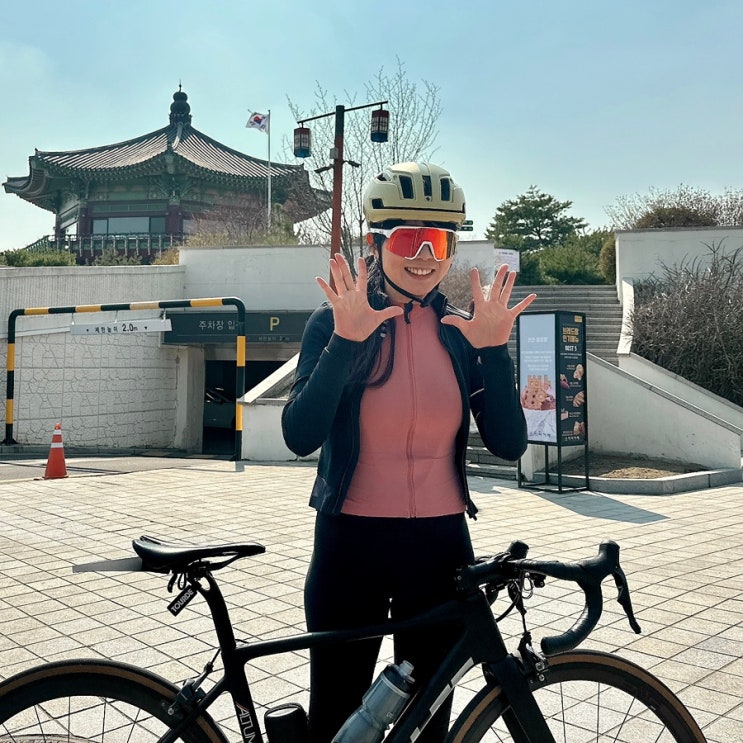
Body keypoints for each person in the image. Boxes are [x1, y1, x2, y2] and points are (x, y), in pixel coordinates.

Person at [282, 162, 536, 742]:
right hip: (350, 546)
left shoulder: (462, 332)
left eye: (438, 241)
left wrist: (494, 351)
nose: (423, 255)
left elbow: (509, 444)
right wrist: (345, 341)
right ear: (376, 245)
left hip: (440, 551)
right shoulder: (336, 321)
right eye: (407, 239)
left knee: (426, 726)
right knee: (337, 719)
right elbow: (299, 435)